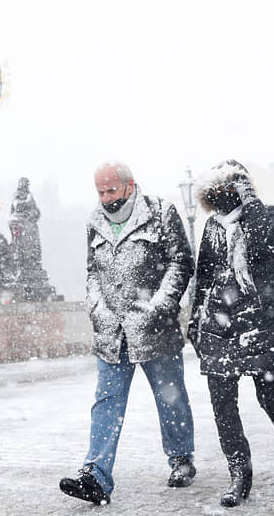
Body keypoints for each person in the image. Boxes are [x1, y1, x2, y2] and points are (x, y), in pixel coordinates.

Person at [59, 162, 196, 506]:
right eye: (100, 192)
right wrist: (96, 307)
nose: (106, 198)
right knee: (107, 403)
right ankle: (96, 474)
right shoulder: (94, 222)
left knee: (171, 397)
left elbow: (181, 263)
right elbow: (92, 272)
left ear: (130, 186)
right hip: (111, 332)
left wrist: (159, 307)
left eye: (111, 191)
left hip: (155, 328)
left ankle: (181, 458)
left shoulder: (161, 213)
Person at [187, 160, 274, 508]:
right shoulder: (211, 226)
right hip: (220, 326)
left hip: (260, 322)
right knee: (223, 405)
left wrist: (251, 203)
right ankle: (239, 473)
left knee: (270, 395)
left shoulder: (266, 215)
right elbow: (203, 275)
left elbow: (272, 244)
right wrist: (195, 318)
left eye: (232, 185)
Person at [8, 177, 42, 276]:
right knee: (21, 245)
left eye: (26, 184)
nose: (26, 186)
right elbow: (15, 208)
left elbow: (36, 211)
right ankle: (23, 262)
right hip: (20, 224)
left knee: (32, 244)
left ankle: (32, 261)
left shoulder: (29, 196)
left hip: (28, 224)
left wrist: (32, 215)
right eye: (24, 184)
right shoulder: (17, 197)